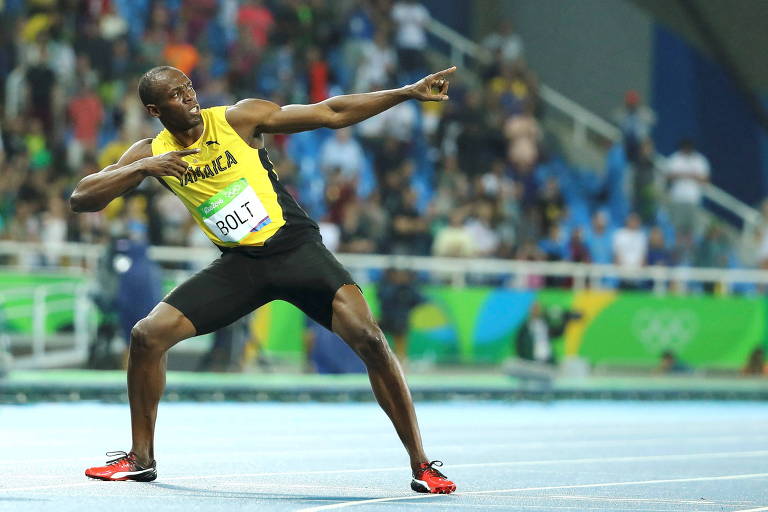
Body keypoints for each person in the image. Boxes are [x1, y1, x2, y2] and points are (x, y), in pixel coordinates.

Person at [69, 65, 457, 494]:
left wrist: (406, 91)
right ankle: (140, 459)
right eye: (178, 96)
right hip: (240, 266)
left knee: (369, 337)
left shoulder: (238, 119)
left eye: (190, 88)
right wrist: (145, 168)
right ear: (154, 109)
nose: (191, 97)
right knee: (147, 335)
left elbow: (331, 112)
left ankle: (422, 464)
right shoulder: (150, 151)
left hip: (296, 250)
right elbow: (82, 198)